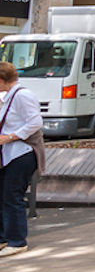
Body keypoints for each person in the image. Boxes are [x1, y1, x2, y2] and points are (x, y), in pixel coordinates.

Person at [0, 60, 43, 257]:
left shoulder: (22, 95)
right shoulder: (9, 97)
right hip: (10, 153)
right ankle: (5, 237)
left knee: (12, 195)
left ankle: (17, 240)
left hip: (22, 152)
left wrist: (9, 137)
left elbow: (35, 122)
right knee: (4, 194)